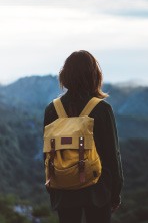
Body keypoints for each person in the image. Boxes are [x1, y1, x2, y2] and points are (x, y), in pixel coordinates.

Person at [43, 50, 124, 223]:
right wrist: (115, 192)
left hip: (63, 190)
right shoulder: (101, 109)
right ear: (94, 75)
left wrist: (53, 187)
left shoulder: (52, 109)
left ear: (65, 75)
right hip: (98, 190)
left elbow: (47, 153)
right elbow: (112, 155)